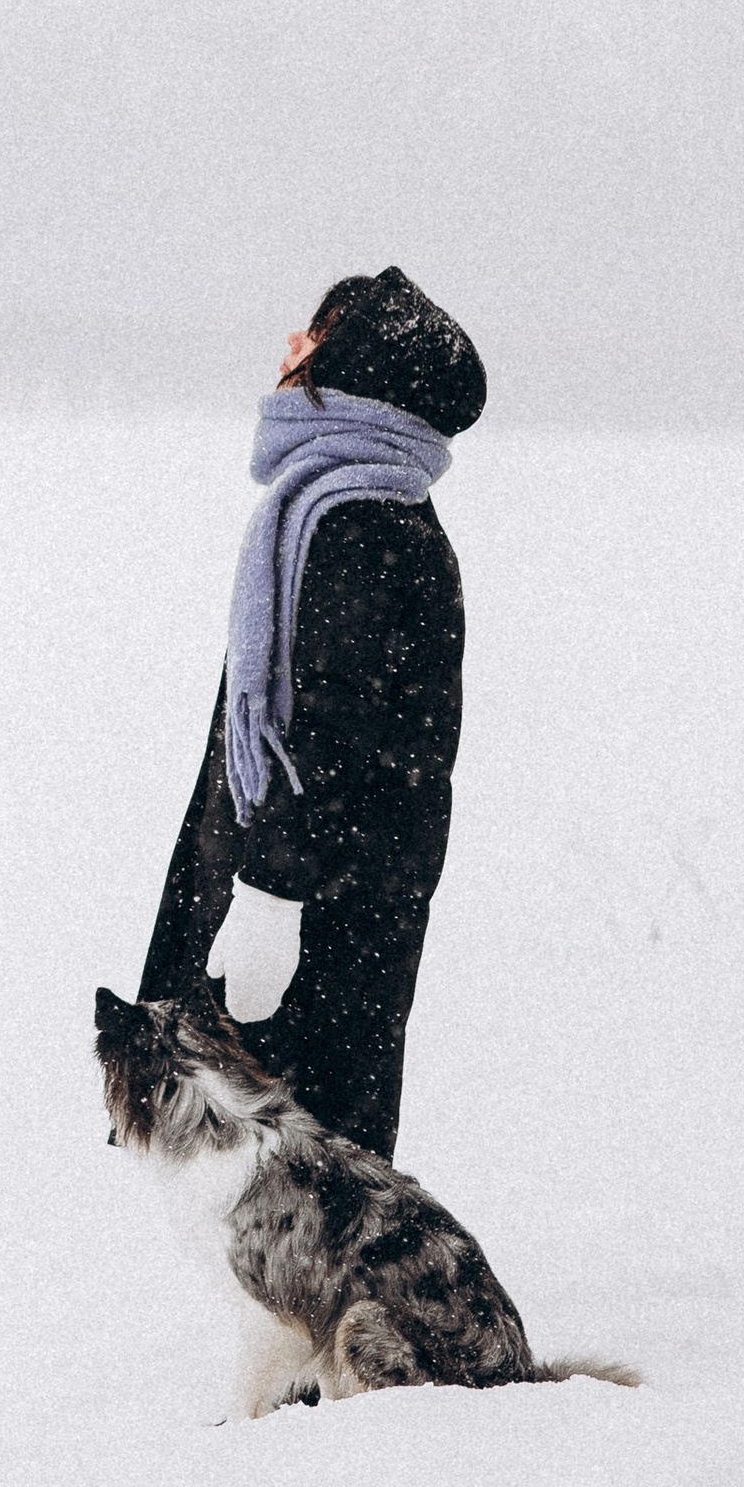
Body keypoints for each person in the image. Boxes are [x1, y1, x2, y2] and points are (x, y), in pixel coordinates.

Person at [137, 265, 485, 1161]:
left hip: (322, 914)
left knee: (301, 1180)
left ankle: (353, 1310)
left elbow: (327, 737)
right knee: (296, 1174)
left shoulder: (360, 524)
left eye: (316, 336)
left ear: (356, 369)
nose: (292, 347)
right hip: (331, 904)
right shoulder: (342, 508)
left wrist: (270, 899)